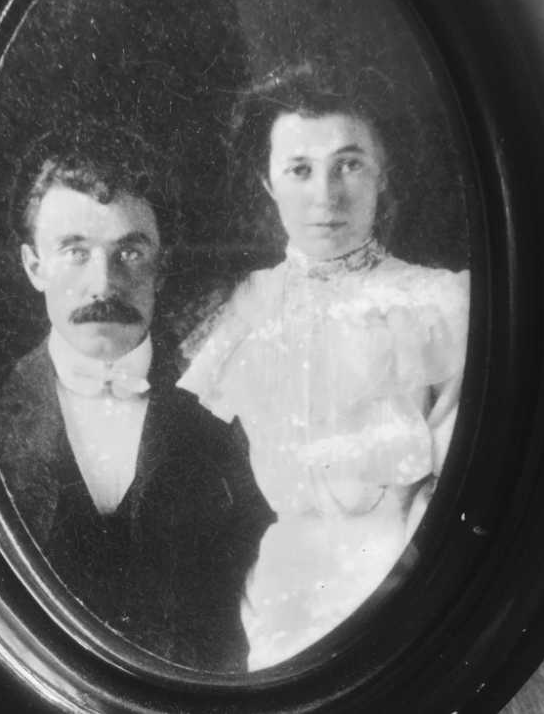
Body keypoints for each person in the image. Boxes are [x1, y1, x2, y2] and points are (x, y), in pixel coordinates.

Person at [177, 64, 470, 670]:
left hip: (414, 581)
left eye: (349, 164)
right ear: (268, 182)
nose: (326, 196)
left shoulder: (442, 304)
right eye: (300, 170)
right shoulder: (242, 308)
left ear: (383, 170)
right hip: (283, 592)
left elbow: (463, 482)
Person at [0, 144, 272, 672]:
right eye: (75, 251)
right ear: (34, 266)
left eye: (130, 253)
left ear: (162, 269)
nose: (104, 283)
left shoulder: (234, 408)